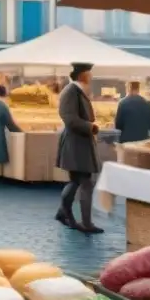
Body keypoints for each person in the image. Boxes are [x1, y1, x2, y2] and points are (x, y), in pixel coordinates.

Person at [57, 62, 103, 234]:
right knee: (86, 182)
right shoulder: (71, 92)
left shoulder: (76, 91)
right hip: (76, 143)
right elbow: (69, 118)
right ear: (83, 75)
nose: (91, 77)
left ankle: (63, 212)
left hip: (78, 142)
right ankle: (86, 223)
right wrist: (90, 127)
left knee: (77, 180)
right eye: (89, 74)